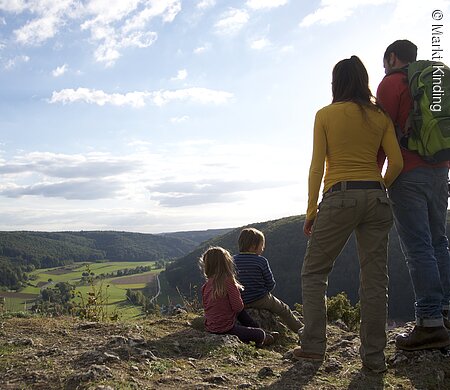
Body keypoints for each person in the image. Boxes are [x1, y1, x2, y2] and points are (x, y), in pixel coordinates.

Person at [295, 55, 403, 373]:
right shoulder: (379, 116)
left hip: (340, 196)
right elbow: (395, 163)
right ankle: (373, 359)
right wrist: (377, 187)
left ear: (336, 83)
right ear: (364, 81)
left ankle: (313, 348)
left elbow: (318, 167)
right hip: (377, 197)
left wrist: (311, 211)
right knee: (375, 282)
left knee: (314, 273)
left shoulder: (325, 115)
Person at [377, 39, 450, 351]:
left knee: (418, 248)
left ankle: (430, 323)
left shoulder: (391, 83)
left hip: (407, 174)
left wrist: (374, 178)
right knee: (439, 242)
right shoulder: (433, 81)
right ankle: (445, 312)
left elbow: (380, 136)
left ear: (392, 58)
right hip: (440, 169)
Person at [200, 246, 275, 346]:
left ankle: (258, 331)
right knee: (258, 332)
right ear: (226, 263)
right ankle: (263, 336)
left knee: (241, 315)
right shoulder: (228, 281)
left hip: (210, 327)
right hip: (226, 329)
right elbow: (238, 307)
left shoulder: (206, 286)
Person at [233, 227, 303, 334]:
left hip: (240, 300)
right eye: (262, 245)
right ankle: (302, 331)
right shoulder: (261, 261)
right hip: (260, 298)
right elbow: (270, 283)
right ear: (253, 246)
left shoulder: (232, 261)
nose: (263, 248)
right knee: (284, 310)